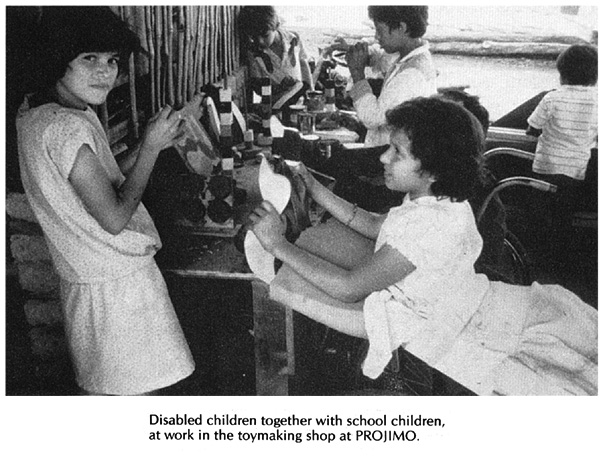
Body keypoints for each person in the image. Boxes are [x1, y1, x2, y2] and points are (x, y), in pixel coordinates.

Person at [249, 96, 597, 395]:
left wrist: (277, 244)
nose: (384, 158)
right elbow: (372, 224)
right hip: (460, 301)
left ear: (432, 169)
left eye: (397, 152)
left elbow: (348, 288)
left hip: (451, 327)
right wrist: (313, 187)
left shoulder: (429, 227)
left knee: (291, 279)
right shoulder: (437, 202)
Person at [17, 6, 195, 395]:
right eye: (89, 58)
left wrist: (155, 144)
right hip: (119, 291)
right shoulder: (67, 128)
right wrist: (149, 148)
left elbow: (102, 175)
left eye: (112, 60)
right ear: (57, 58)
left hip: (89, 283)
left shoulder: (40, 115)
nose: (105, 71)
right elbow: (113, 217)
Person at [526, 44, 598, 256]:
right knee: (564, 212)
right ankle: (559, 253)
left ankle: (535, 252)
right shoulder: (598, 100)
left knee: (539, 210)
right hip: (575, 169)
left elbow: (533, 128)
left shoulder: (552, 98)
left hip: (546, 165)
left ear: (561, 74)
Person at [346, 6, 437, 148]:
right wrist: (357, 53)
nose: (377, 37)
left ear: (401, 27)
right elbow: (382, 59)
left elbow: (372, 118)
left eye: (379, 30)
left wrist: (357, 74)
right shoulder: (410, 56)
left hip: (393, 155)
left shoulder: (411, 75)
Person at [238, 6, 313, 109]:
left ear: (276, 26)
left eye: (265, 35)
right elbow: (258, 89)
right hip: (277, 106)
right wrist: (281, 88)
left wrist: (311, 93)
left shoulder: (294, 39)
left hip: (301, 102)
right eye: (254, 37)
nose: (259, 41)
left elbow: (304, 64)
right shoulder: (254, 54)